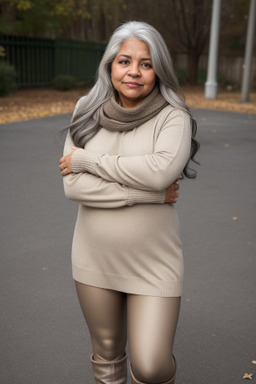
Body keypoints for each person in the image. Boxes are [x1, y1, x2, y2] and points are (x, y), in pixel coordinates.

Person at [59, 21, 199, 384]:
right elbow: (73, 187)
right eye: (124, 61)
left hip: (154, 261)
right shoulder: (86, 109)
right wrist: (147, 195)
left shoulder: (173, 116)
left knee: (151, 366)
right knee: (106, 353)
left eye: (146, 64)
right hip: (94, 256)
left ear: (158, 71)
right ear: (110, 65)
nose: (133, 71)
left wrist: (88, 161)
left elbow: (158, 172)